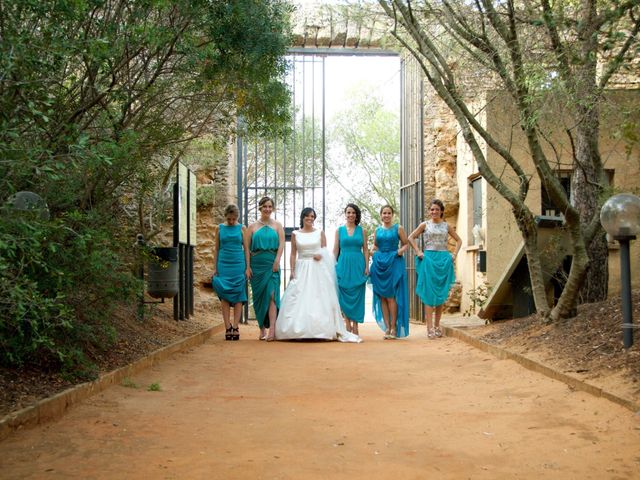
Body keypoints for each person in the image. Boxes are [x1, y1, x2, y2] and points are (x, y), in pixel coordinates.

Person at [275, 207, 362, 343]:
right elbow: (293, 253)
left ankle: (320, 330)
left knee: (318, 297)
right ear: (302, 218)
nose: (310, 219)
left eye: (312, 217)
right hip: (302, 267)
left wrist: (320, 255)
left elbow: (326, 252)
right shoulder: (295, 234)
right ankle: (299, 329)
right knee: (299, 296)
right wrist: (292, 270)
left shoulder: (320, 233)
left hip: (317, 269)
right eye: (307, 216)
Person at [407, 199, 462, 339]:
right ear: (429, 211)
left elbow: (459, 240)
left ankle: (438, 326)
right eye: (432, 209)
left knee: (440, 295)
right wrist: (418, 251)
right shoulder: (425, 225)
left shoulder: (446, 226)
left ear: (441, 211)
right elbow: (411, 237)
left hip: (443, 260)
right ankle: (429, 328)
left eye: (437, 209)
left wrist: (454, 255)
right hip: (429, 259)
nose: (434, 212)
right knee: (428, 294)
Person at [245, 196, 285, 341]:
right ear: (260, 208)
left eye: (270, 207)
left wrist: (277, 260)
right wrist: (248, 267)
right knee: (259, 298)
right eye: (265, 207)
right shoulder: (252, 227)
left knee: (272, 296)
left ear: (272, 209)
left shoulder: (277, 226)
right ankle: (262, 329)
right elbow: (247, 249)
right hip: (256, 264)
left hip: (272, 263)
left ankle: (272, 330)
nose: (268, 209)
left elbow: (282, 244)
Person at [369, 205, 410, 340]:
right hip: (380, 264)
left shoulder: (398, 228)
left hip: (393, 262)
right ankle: (387, 327)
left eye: (388, 213)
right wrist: (372, 251)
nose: (386, 215)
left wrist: (400, 251)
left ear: (392, 215)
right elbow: (376, 245)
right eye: (384, 213)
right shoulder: (377, 230)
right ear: (381, 215)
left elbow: (406, 243)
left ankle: (394, 326)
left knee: (391, 296)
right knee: (382, 297)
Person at [212, 204, 249, 341]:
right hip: (224, 264)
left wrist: (248, 267)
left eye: (234, 219)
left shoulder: (242, 228)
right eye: (229, 219)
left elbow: (246, 249)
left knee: (239, 295)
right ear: (225, 217)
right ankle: (227, 327)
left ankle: (235, 326)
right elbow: (216, 249)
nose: (231, 221)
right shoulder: (219, 228)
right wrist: (215, 267)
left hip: (238, 264)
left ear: (237, 217)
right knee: (225, 294)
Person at [333, 204, 369, 335]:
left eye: (353, 212)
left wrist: (367, 266)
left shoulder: (362, 231)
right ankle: (347, 324)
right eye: (348, 212)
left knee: (358, 294)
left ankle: (356, 325)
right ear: (345, 214)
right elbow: (335, 249)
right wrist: (332, 265)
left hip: (358, 264)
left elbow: (365, 249)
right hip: (343, 263)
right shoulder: (339, 230)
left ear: (356, 215)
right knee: (344, 292)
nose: (351, 215)